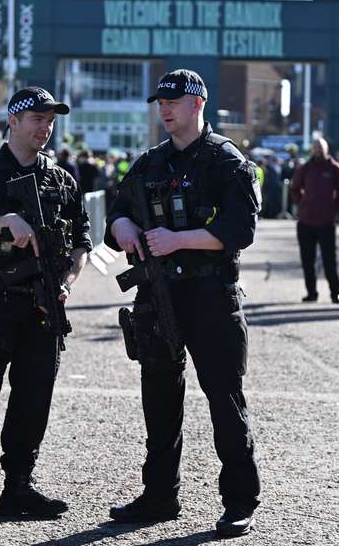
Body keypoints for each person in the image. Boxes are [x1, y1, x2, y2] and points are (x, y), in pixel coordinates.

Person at [105, 69, 262, 538]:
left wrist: (177, 241)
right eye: (160, 103)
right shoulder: (150, 163)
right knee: (159, 398)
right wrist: (124, 229)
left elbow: (240, 230)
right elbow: (117, 210)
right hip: (159, 297)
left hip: (211, 295)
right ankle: (159, 495)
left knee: (225, 400)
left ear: (198, 104)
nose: (164, 109)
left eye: (173, 102)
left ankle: (239, 501)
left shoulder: (226, 161)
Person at [0, 86, 91, 527]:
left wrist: (66, 282)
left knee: (33, 401)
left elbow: (81, 243)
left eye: (50, 120)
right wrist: (4, 223)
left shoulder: (62, 179)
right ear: (13, 120)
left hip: (43, 306)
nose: (45, 127)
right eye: (37, 119)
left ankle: (18, 488)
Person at [289, 138, 339, 304]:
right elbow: (294, 189)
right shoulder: (305, 169)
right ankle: (311, 293)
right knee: (307, 260)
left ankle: (336, 293)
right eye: (316, 147)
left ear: (326, 149)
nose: (318, 150)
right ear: (312, 149)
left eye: (321, 148)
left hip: (326, 222)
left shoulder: (334, 169)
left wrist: (336, 207)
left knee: (329, 260)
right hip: (305, 222)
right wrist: (302, 202)